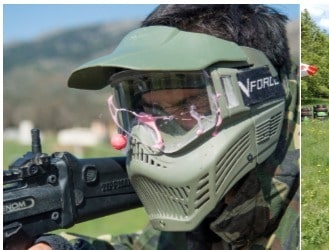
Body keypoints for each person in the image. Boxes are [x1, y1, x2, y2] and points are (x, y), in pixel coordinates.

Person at [29, 4, 299, 250]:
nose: (159, 136)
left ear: (258, 90)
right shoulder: (212, 195)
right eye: (152, 110)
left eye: (190, 105)